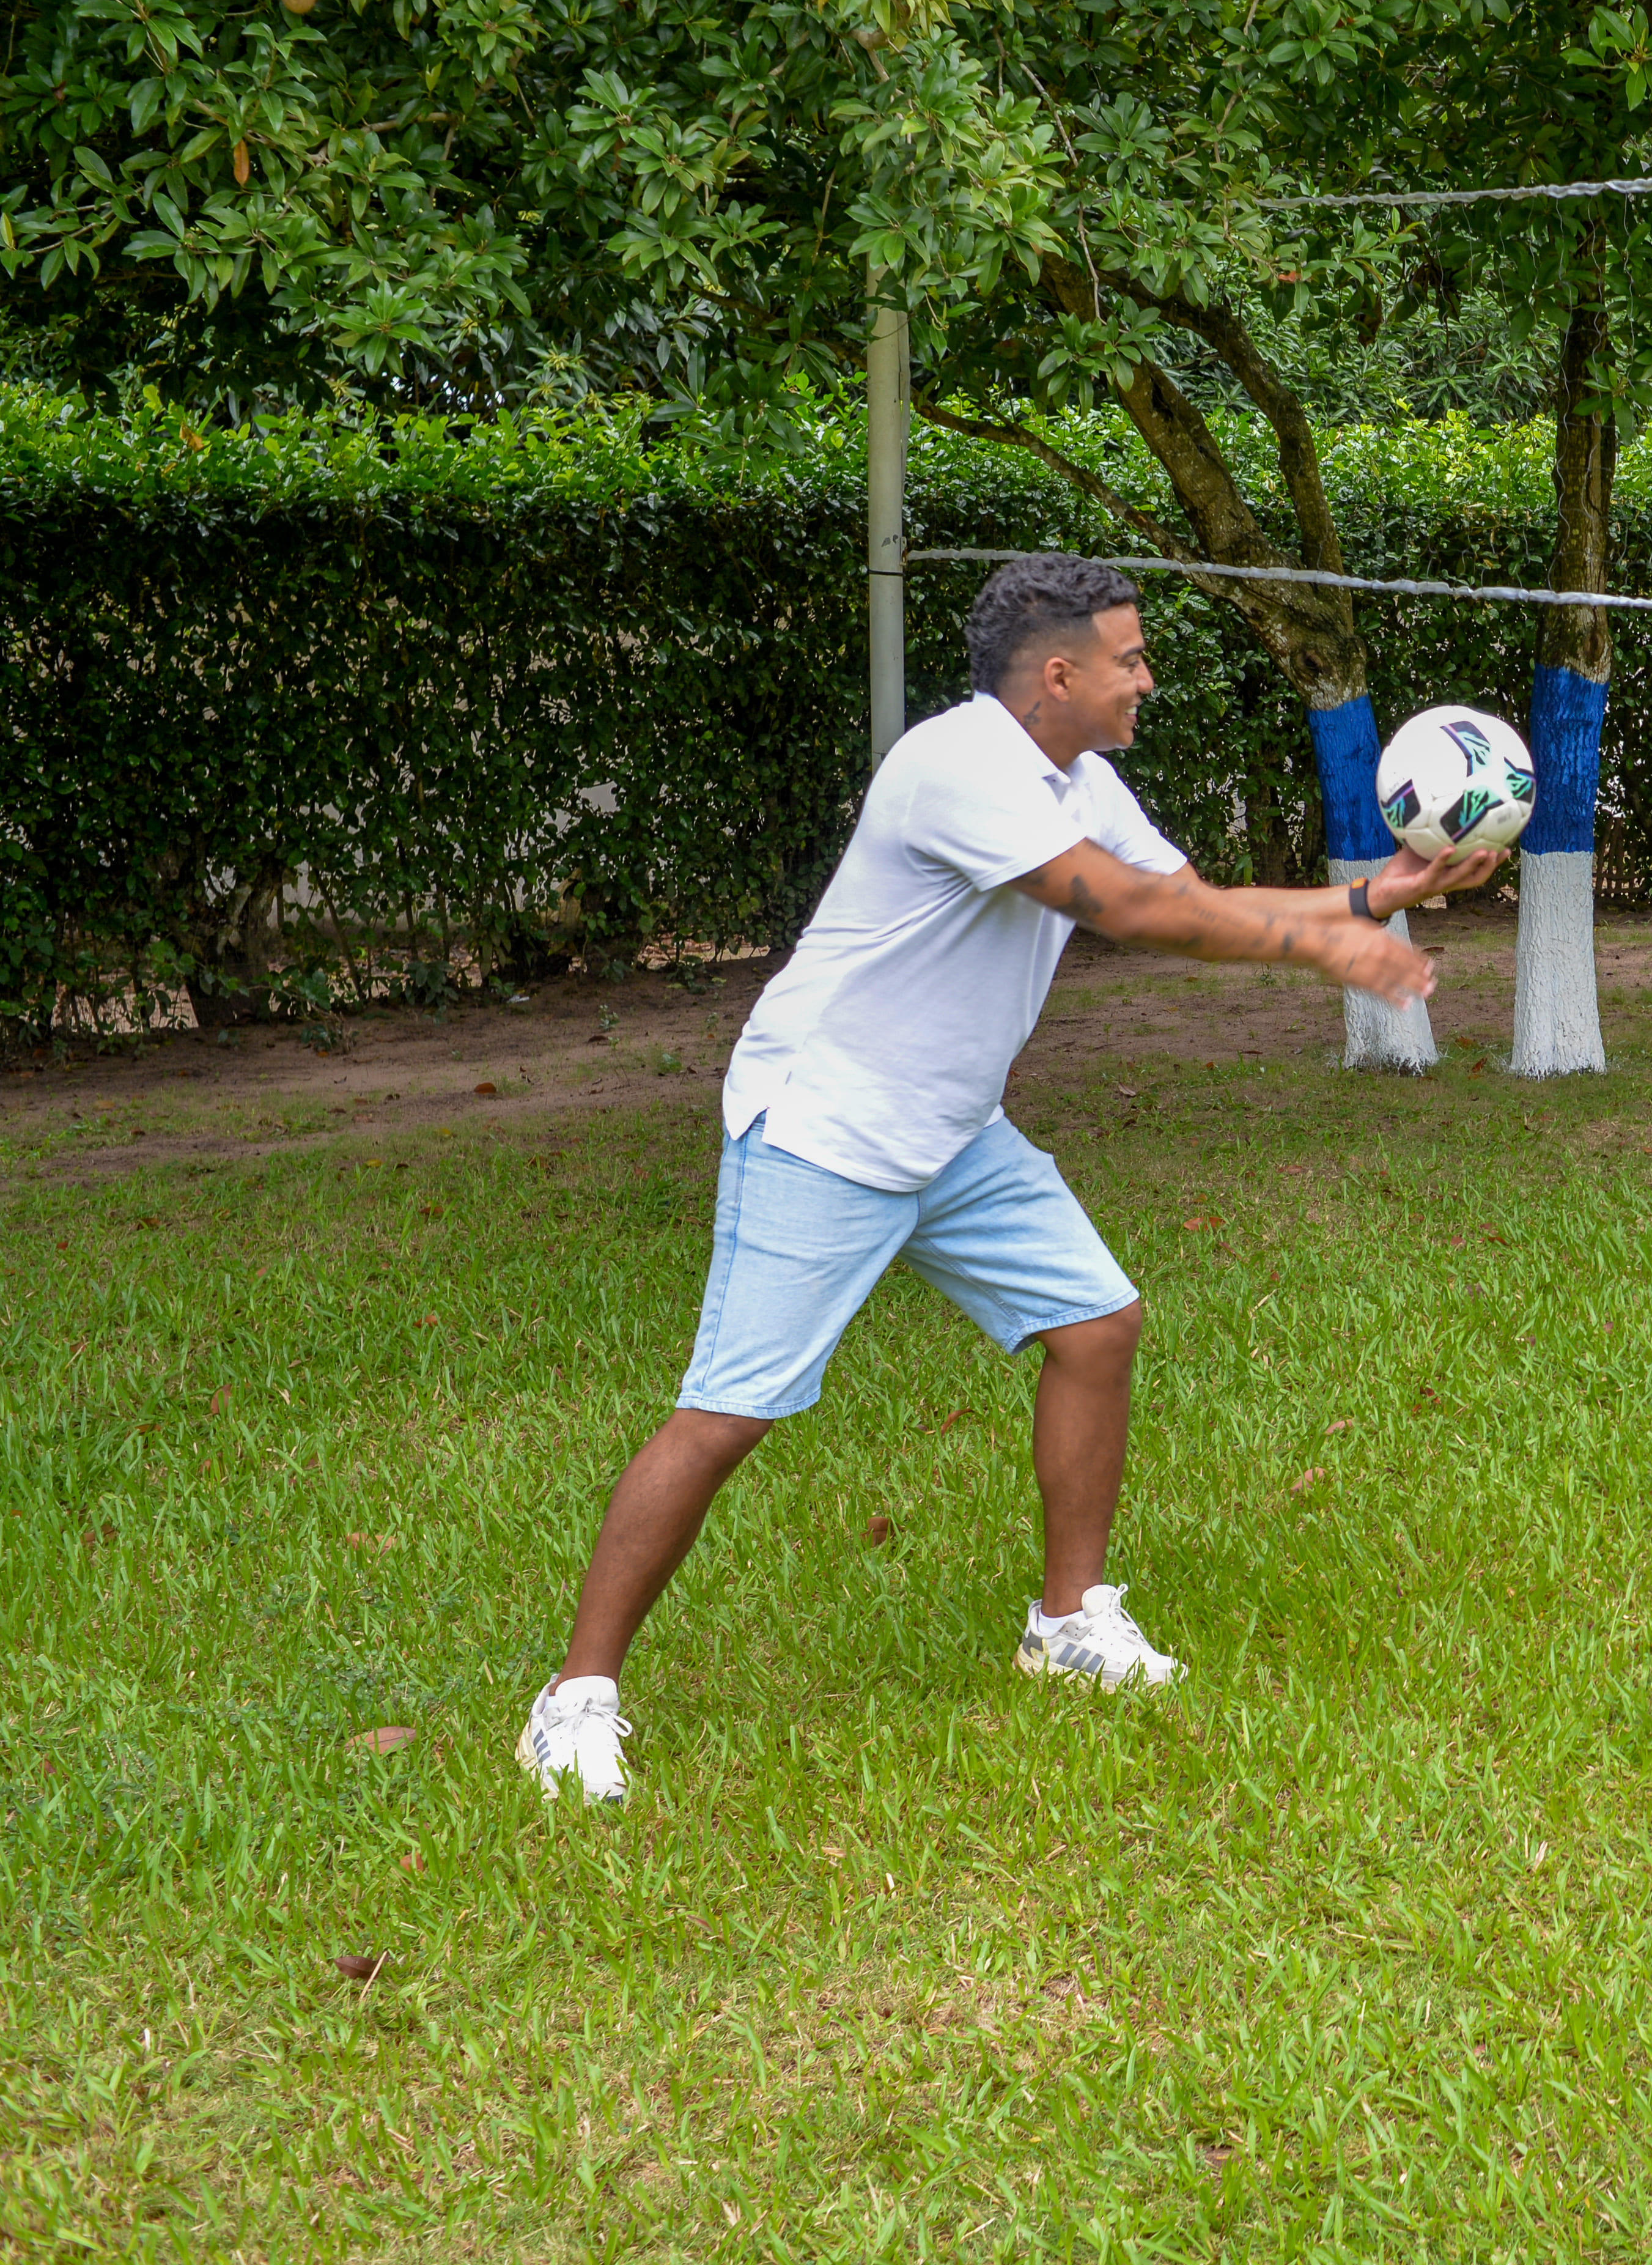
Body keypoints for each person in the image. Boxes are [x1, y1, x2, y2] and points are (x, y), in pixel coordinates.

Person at [518, 553, 1497, 1802]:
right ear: (1058, 672)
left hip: (950, 1127)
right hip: (828, 1120)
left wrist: (1368, 897)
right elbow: (1128, 915)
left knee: (1097, 1323)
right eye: (1130, 659)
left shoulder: (1075, 774)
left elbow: (1179, 893)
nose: (1146, 678)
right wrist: (1335, 950)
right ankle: (574, 1700)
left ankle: (1067, 1621)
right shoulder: (957, 768)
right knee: (730, 1412)